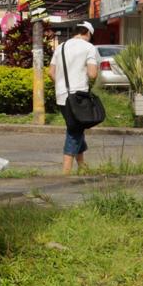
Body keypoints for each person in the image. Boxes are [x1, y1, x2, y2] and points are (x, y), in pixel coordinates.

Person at [50, 21, 100, 175]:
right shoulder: (89, 48)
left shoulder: (61, 47)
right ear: (88, 33)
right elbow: (92, 74)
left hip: (62, 96)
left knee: (76, 127)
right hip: (79, 97)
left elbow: (51, 73)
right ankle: (65, 173)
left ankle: (83, 167)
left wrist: (63, 83)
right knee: (74, 131)